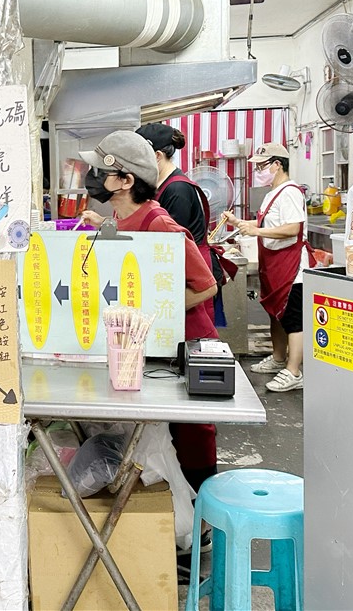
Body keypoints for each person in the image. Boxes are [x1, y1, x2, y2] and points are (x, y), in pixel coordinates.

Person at [77, 130, 220, 497]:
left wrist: (156, 313)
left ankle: (203, 516)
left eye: (99, 171)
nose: (90, 177)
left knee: (190, 431)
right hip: (154, 346)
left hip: (187, 344)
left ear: (125, 181)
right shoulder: (122, 216)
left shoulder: (160, 223)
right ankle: (173, 517)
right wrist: (101, 225)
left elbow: (207, 286)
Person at [221, 142, 313, 393]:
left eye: (261, 166)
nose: (258, 171)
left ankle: (294, 371)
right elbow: (268, 222)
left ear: (277, 165)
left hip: (292, 268)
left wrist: (257, 230)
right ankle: (278, 358)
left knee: (293, 319)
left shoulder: (291, 191)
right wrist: (240, 222)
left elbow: (293, 228)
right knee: (275, 313)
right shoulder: (274, 192)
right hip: (274, 265)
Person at [136, 122, 228, 324]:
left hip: (193, 278)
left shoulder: (177, 189)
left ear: (157, 156)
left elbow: (171, 246)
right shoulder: (162, 185)